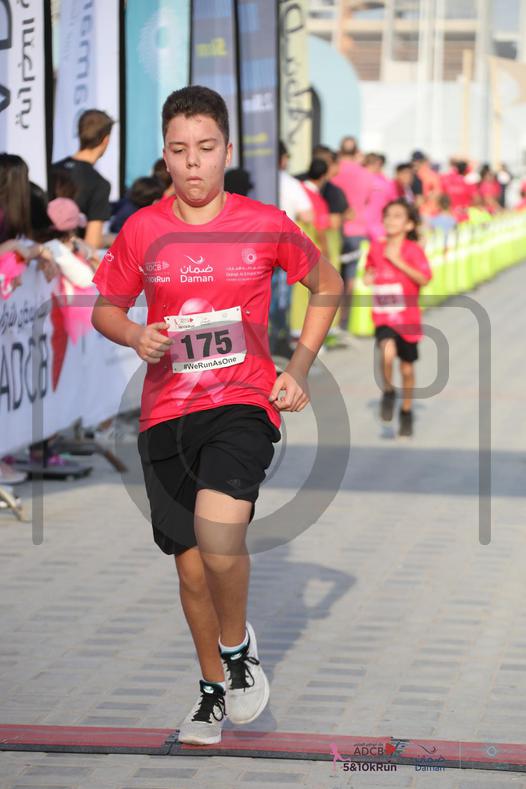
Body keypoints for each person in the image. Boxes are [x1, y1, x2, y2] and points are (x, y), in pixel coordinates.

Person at [91, 85, 343, 745]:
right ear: (165, 155)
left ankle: (237, 650)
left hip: (241, 402)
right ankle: (211, 689)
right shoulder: (143, 228)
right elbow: (106, 307)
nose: (192, 162)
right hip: (165, 412)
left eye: (205, 148)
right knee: (192, 567)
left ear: (228, 151)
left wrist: (299, 368)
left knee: (220, 534)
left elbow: (328, 283)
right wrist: (134, 334)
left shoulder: (264, 222)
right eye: (179, 150)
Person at [363, 199, 432, 437]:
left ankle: (406, 411)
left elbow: (424, 278)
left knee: (407, 370)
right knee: (387, 351)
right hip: (384, 316)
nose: (391, 220)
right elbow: (369, 271)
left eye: (398, 216)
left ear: (409, 224)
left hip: (408, 318)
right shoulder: (376, 247)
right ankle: (389, 391)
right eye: (388, 215)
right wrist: (368, 277)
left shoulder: (413, 250)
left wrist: (397, 261)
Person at [51, 109, 114, 249]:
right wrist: (112, 239)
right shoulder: (99, 184)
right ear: (106, 140)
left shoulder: (52, 169)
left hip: (41, 252)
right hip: (72, 256)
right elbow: (92, 242)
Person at [332, 138, 375, 334]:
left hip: (335, 230)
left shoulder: (334, 170)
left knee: (331, 277)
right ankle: (344, 319)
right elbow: (367, 201)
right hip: (358, 229)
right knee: (350, 277)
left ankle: (330, 319)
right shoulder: (365, 174)